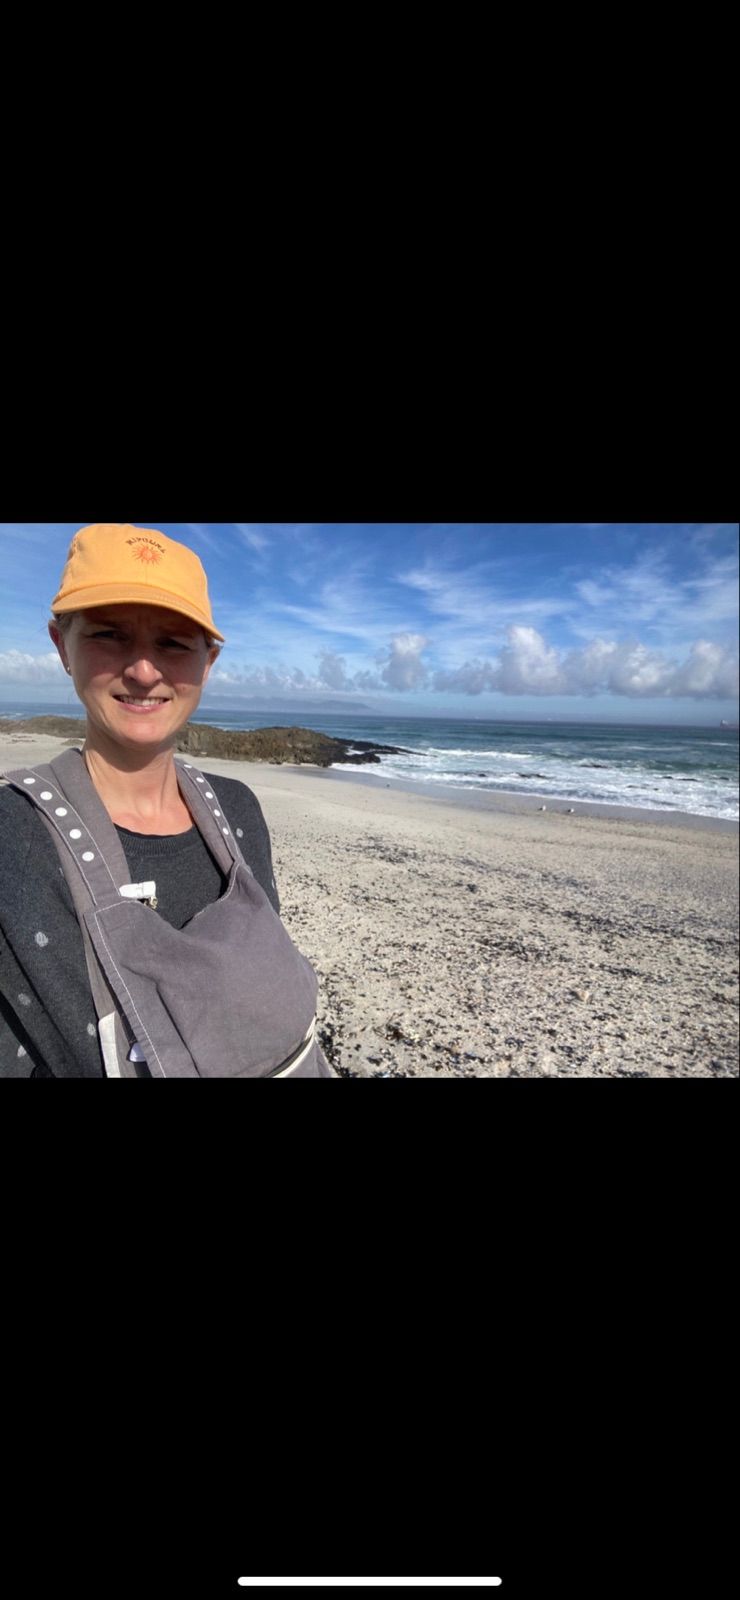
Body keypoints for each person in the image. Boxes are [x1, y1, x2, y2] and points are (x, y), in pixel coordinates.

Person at [0, 523, 334, 1077]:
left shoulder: (238, 811)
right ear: (62, 646)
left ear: (208, 662)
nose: (143, 670)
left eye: (174, 643)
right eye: (109, 634)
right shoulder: (12, 834)